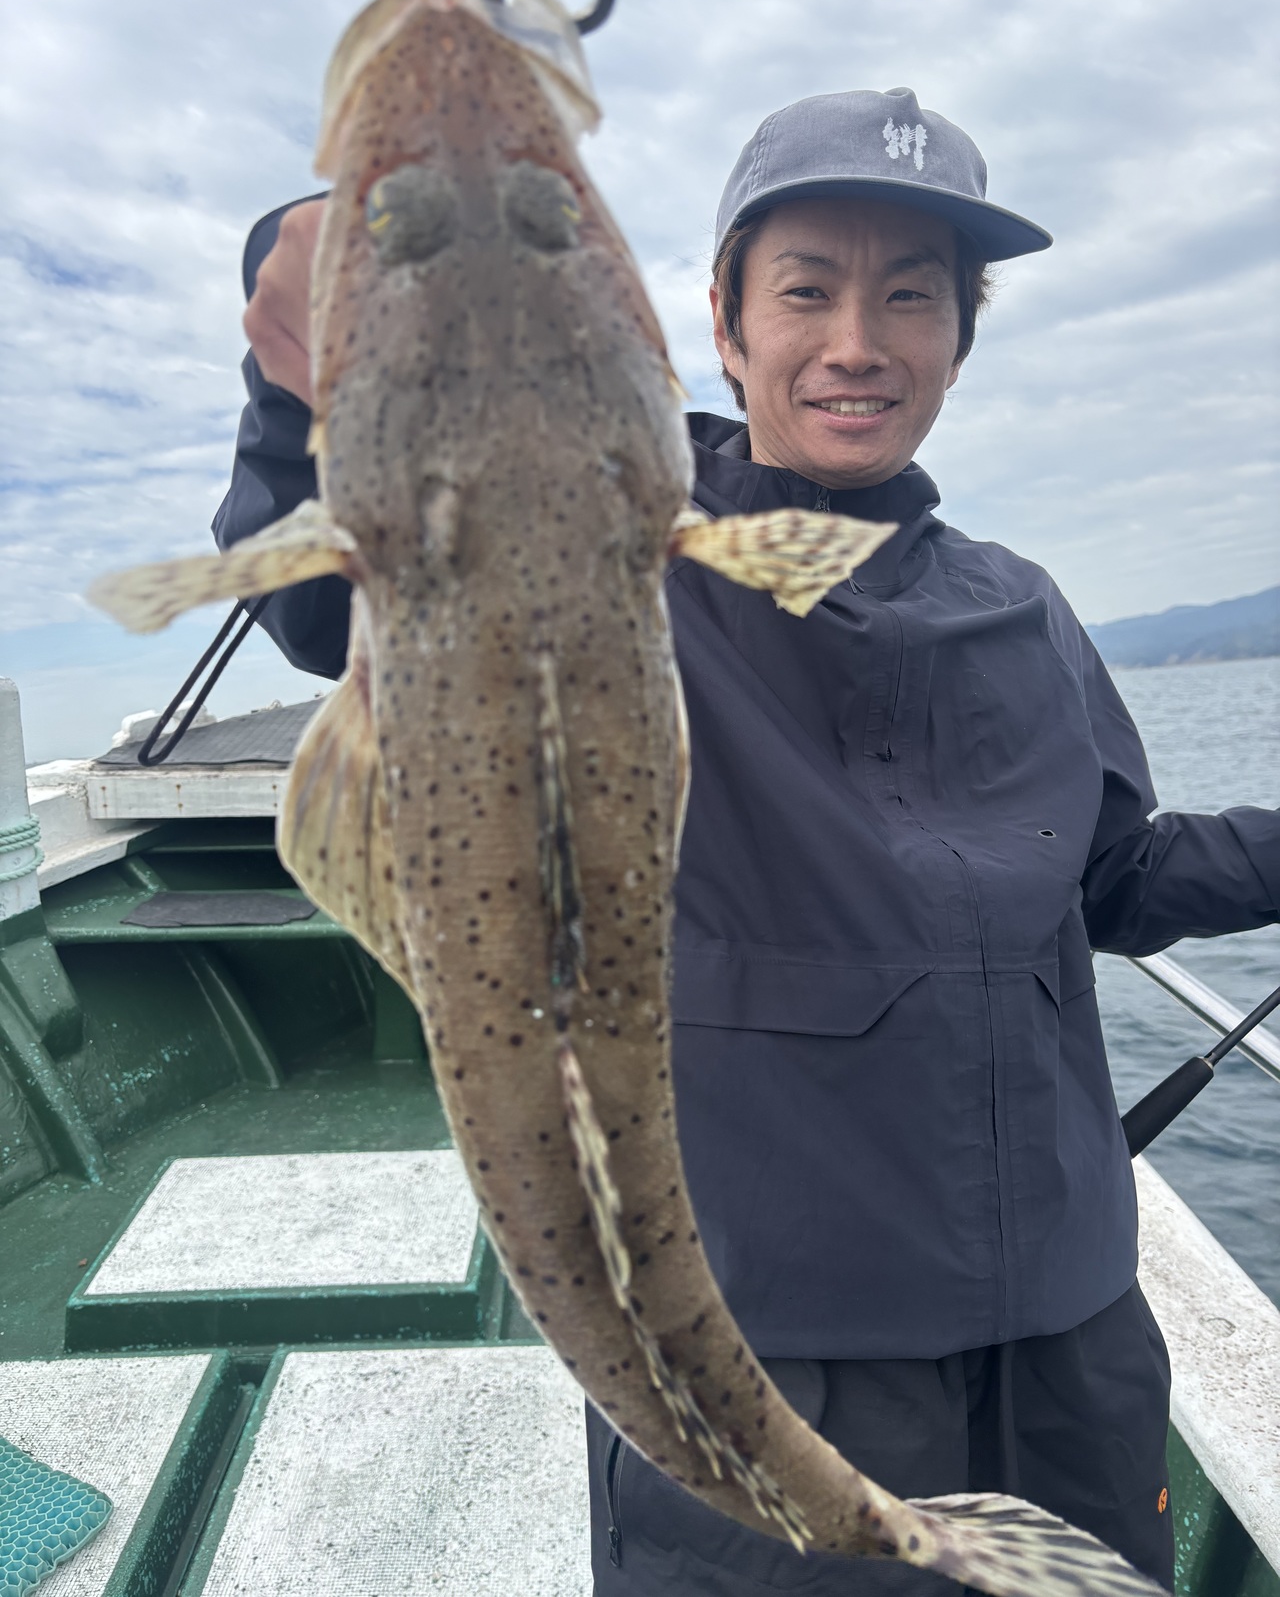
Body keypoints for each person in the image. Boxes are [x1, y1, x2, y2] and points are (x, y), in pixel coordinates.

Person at [216, 87, 1279, 1594]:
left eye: (911, 296)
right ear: (723, 325)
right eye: (806, 290)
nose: (858, 341)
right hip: (756, 1354)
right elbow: (326, 585)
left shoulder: (1023, 605)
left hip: (1071, 1342)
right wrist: (313, 302)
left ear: (959, 341)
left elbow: (1113, 879)